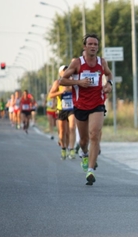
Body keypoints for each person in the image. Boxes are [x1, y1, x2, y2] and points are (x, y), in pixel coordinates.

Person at [59, 33, 113, 185]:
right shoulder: (77, 63)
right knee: (84, 140)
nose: (93, 47)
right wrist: (79, 82)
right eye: (90, 44)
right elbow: (62, 80)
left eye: (95, 44)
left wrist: (109, 85)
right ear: (84, 46)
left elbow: (109, 75)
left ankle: (91, 170)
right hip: (80, 105)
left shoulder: (102, 62)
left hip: (97, 103)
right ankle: (84, 153)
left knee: (94, 134)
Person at [49, 65, 77, 160]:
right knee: (62, 131)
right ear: (60, 73)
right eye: (64, 70)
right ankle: (63, 148)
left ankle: (72, 149)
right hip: (61, 109)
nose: (66, 72)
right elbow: (51, 94)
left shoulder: (73, 81)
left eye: (67, 70)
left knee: (72, 127)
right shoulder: (57, 83)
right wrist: (61, 92)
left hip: (72, 108)